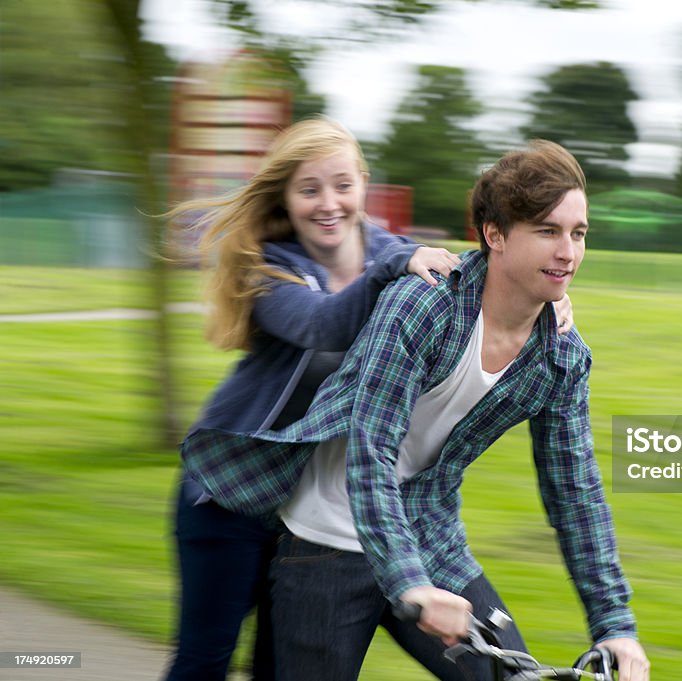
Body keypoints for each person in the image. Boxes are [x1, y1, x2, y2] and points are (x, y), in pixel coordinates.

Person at [182, 140, 648, 681]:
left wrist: (615, 623)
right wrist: (408, 585)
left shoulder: (561, 357)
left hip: (431, 543)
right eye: (547, 231)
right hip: (327, 541)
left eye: (578, 233)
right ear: (494, 235)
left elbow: (576, 492)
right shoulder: (424, 304)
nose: (568, 252)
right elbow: (370, 447)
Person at [161, 116, 464, 681]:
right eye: (309, 189)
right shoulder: (271, 271)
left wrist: (550, 304)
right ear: (287, 197)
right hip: (229, 500)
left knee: (280, 668)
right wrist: (392, 268)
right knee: (205, 661)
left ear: (363, 186)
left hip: (300, 512)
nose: (329, 203)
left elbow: (474, 299)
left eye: (343, 185)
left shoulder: (397, 254)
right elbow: (324, 326)